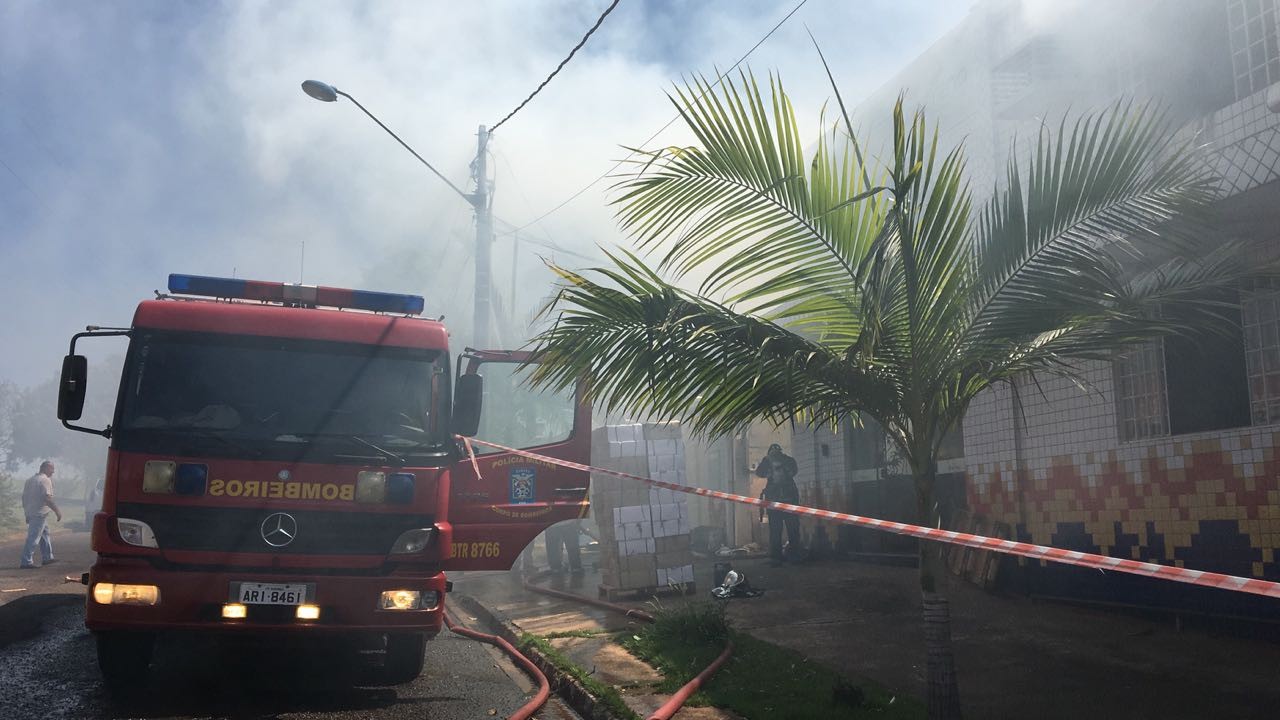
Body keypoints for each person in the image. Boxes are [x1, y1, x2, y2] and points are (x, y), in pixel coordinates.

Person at [755, 443, 801, 564]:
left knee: (778, 530)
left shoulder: (777, 461)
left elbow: (759, 472)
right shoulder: (788, 460)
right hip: (787, 500)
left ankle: (778, 557)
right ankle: (792, 556)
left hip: (778, 501)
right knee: (791, 529)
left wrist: (769, 469)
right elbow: (794, 471)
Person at [20, 461, 62, 569]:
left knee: (45, 535)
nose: (53, 472)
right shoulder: (45, 480)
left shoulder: (30, 480)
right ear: (46, 468)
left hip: (32, 512)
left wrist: (26, 512)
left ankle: (47, 557)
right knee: (33, 537)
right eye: (52, 469)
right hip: (40, 513)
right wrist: (57, 511)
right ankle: (26, 561)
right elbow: (47, 498)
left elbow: (24, 498)